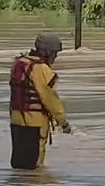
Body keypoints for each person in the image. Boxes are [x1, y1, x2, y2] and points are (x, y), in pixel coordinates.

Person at [8, 32, 72, 171]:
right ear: (47, 52)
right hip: (35, 124)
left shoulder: (19, 63)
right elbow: (50, 99)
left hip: (16, 121)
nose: (55, 57)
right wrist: (63, 122)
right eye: (55, 53)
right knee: (34, 167)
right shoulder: (42, 69)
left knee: (20, 165)